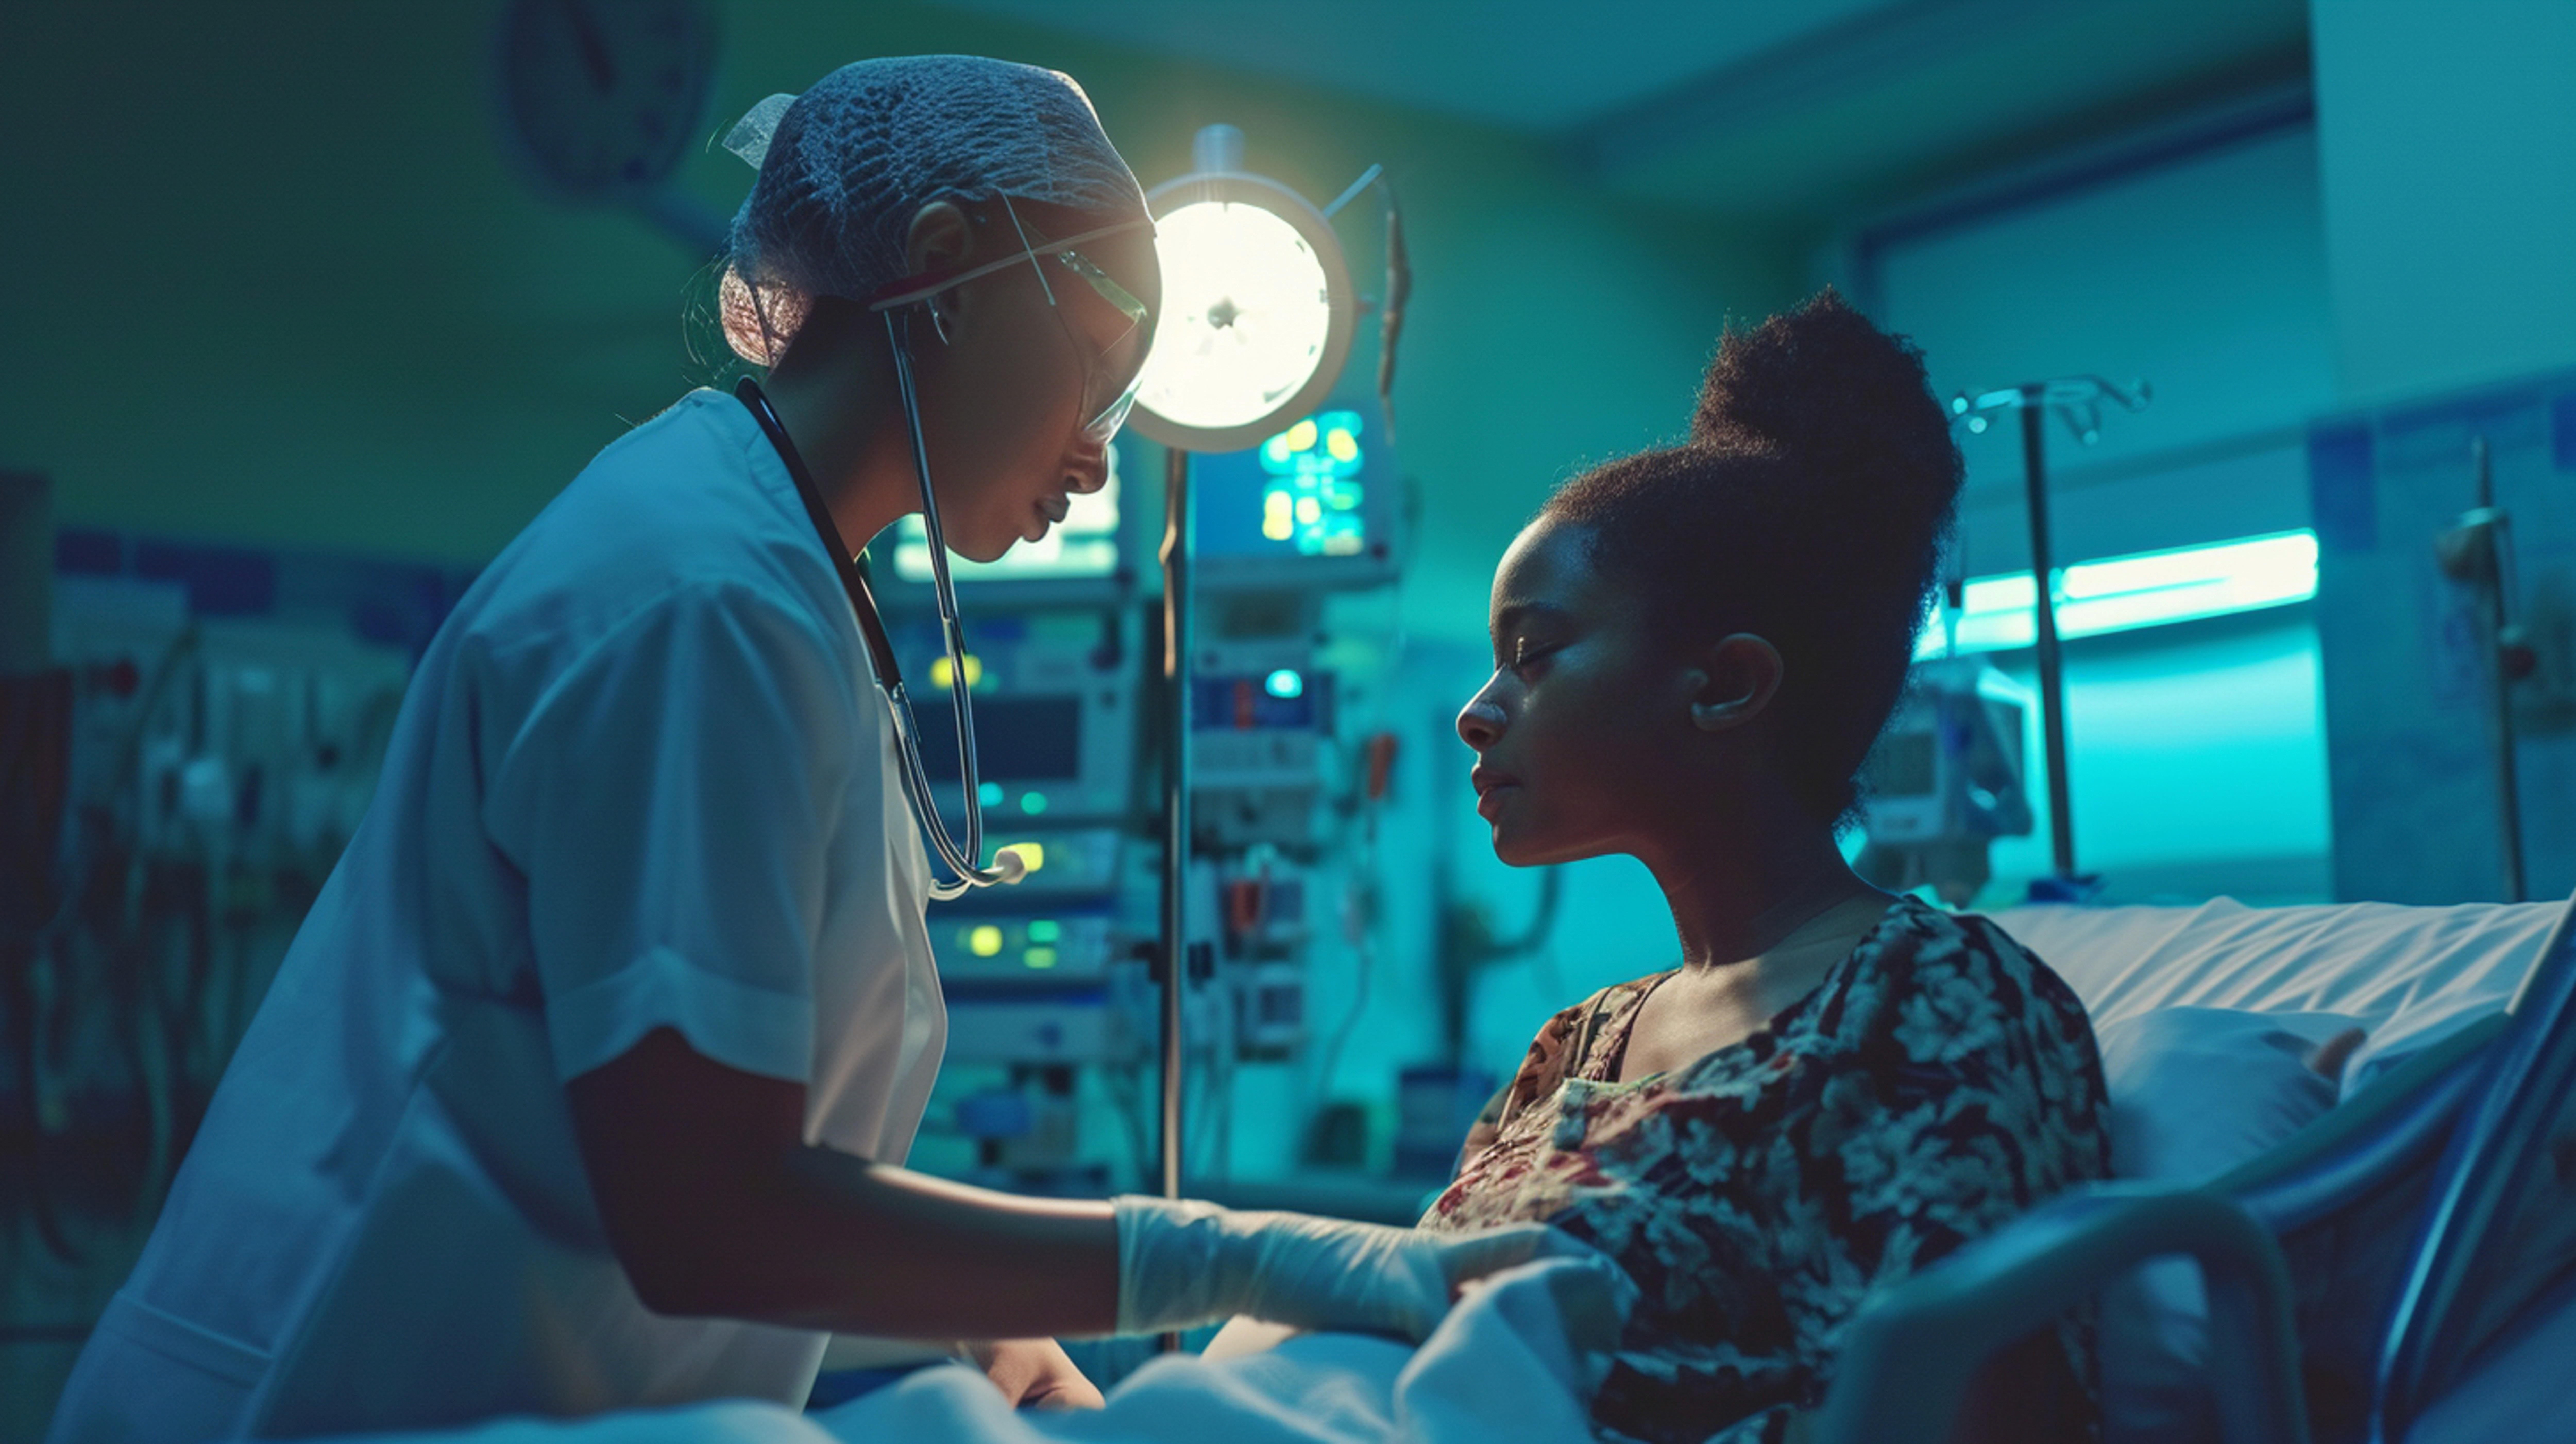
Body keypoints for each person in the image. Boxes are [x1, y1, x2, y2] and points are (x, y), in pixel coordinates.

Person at [44, 57, 1569, 1444]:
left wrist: (978, 1310)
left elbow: (677, 1158)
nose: (1106, 445)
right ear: (949, 267)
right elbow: (704, 1210)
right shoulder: (704, 594)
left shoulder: (781, 575)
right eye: (1099, 358)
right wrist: (1216, 1252)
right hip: (318, 1386)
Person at [1217, 294, 2111, 1442]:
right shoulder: (1571, 1050)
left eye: (1532, 657)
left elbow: (1970, 1403)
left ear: (1726, 684)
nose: (1475, 716)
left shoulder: (1933, 998)